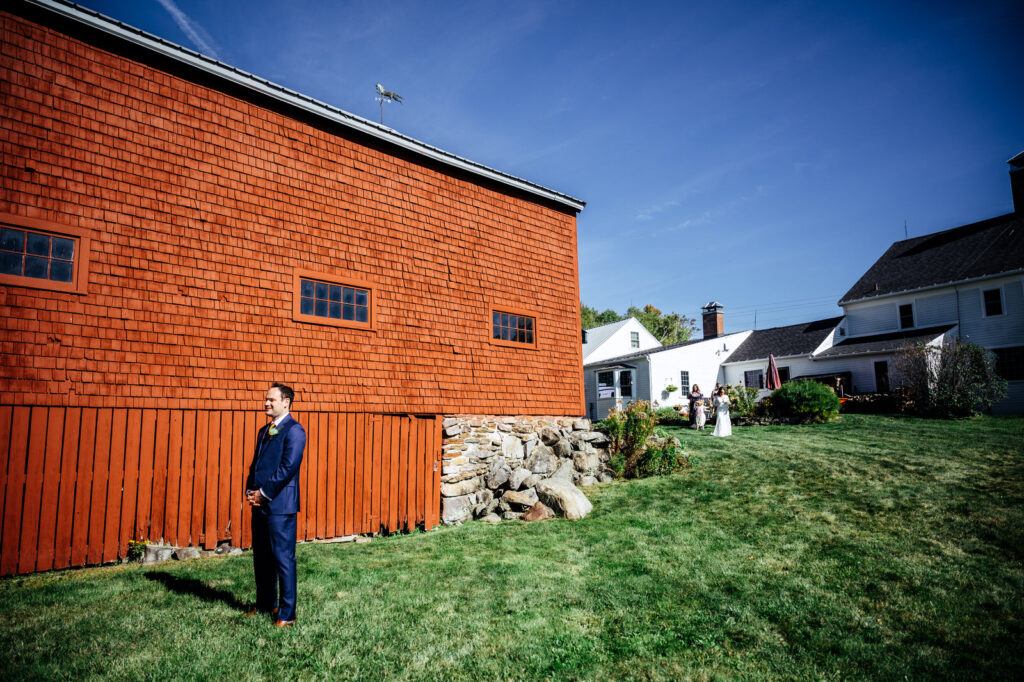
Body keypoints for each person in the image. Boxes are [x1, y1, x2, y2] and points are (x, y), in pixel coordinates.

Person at [246, 382, 306, 627]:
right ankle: (265, 604)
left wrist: (264, 493)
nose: (266, 403)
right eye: (266, 399)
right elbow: (257, 464)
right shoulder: (264, 430)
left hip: (280, 506)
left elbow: (288, 467)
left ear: (286, 403)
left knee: (283, 559)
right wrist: (251, 490)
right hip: (259, 504)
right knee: (261, 558)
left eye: (271, 399)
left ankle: (287, 614)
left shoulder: (295, 430)